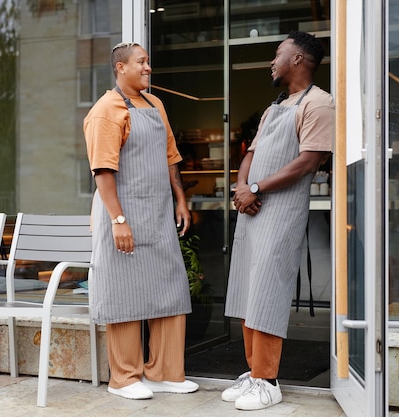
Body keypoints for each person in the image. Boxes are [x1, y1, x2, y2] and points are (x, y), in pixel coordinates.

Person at [222, 31, 334, 411]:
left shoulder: (319, 104)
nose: (272, 61)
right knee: (248, 289)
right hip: (254, 208)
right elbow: (250, 154)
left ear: (298, 59)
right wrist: (241, 186)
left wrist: (255, 187)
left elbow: (307, 162)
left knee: (268, 290)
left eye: (277, 53)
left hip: (282, 212)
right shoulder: (273, 108)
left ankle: (268, 381)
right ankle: (254, 372)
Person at [83, 42, 199, 400]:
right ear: (121, 68)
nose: (148, 68)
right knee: (124, 292)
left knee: (170, 286)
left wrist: (180, 199)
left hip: (158, 214)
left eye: (149, 62)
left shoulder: (155, 105)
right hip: (121, 212)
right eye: (142, 62)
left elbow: (170, 157)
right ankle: (124, 378)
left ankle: (164, 371)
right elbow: (102, 170)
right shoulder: (106, 110)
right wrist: (118, 219)